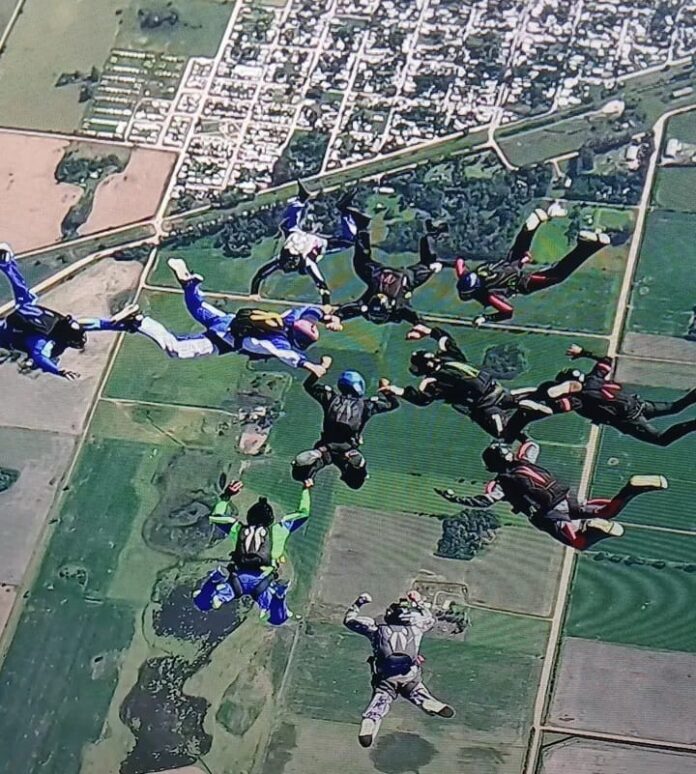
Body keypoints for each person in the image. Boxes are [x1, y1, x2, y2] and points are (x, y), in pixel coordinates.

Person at [437, 441, 668, 550]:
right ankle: (630, 490)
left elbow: (485, 501)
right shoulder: (525, 460)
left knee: (578, 542)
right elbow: (531, 445)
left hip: (549, 514)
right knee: (608, 511)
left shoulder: (501, 483)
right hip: (567, 495)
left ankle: (597, 528)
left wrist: (454, 498)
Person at [128, 257, 332, 376]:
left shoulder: (290, 318)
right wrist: (311, 365)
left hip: (228, 320)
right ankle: (139, 321)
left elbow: (309, 310)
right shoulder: (280, 343)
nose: (312, 325)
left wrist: (327, 316)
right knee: (176, 350)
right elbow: (289, 357)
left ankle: (190, 286)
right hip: (224, 340)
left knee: (196, 307)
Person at [380, 326, 552, 440]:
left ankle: (524, 412)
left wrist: (396, 390)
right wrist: (427, 331)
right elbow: (445, 337)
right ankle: (539, 396)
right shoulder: (449, 355)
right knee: (538, 394)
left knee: (503, 433)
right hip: (497, 388)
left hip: (484, 405)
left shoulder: (431, 381)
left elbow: (422, 399)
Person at [0, 243, 140, 379]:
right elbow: (41, 358)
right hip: (7, 335)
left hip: (27, 311)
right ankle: (6, 263)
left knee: (21, 290)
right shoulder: (43, 343)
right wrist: (57, 371)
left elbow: (98, 324)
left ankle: (5, 263)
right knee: (21, 292)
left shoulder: (67, 325)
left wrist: (124, 326)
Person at [454, 208, 610, 325]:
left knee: (556, 275)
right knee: (517, 254)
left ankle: (587, 246)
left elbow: (508, 311)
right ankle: (532, 224)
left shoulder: (487, 295)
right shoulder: (467, 274)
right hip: (509, 266)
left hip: (521, 281)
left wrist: (486, 318)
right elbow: (459, 262)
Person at [344, 590, 454, 748]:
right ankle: (427, 702)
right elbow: (430, 619)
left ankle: (371, 719)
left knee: (381, 701)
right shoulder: (417, 627)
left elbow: (349, 621)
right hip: (410, 675)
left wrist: (359, 603)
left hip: (386, 679)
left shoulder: (375, 630)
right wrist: (419, 602)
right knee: (417, 691)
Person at [193, 479, 312, 624]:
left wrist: (226, 496)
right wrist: (306, 489)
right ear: (271, 520)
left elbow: (216, 517)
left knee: (202, 604)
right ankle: (279, 597)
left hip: (238, 577)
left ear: (249, 517)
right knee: (278, 619)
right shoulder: (279, 530)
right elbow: (303, 513)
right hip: (263, 580)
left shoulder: (238, 529)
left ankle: (215, 580)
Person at [540, 344, 696, 446]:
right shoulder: (594, 378)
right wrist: (583, 353)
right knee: (676, 407)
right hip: (639, 404)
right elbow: (607, 360)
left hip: (629, 419)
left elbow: (561, 405)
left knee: (661, 439)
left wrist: (541, 401)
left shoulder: (578, 400)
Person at [323, 209, 443, 339]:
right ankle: (431, 233)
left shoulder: (365, 305)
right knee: (430, 264)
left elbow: (350, 310)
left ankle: (362, 227)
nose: (379, 295)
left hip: (378, 274)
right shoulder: (398, 309)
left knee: (360, 261)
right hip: (405, 278)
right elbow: (412, 316)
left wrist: (337, 317)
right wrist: (419, 325)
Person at [249, 182, 356, 304]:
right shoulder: (288, 260)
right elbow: (260, 274)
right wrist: (254, 293)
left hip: (314, 242)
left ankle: (302, 200)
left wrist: (254, 292)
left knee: (349, 241)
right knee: (290, 223)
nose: (288, 266)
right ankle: (302, 200)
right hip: (297, 235)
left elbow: (321, 285)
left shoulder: (306, 263)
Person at [292, 369, 399, 489]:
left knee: (299, 474)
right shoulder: (366, 405)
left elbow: (308, 385)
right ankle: (359, 465)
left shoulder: (330, 397)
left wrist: (317, 373)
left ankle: (313, 459)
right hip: (346, 449)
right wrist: (386, 390)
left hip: (325, 446)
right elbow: (392, 404)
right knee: (355, 482)